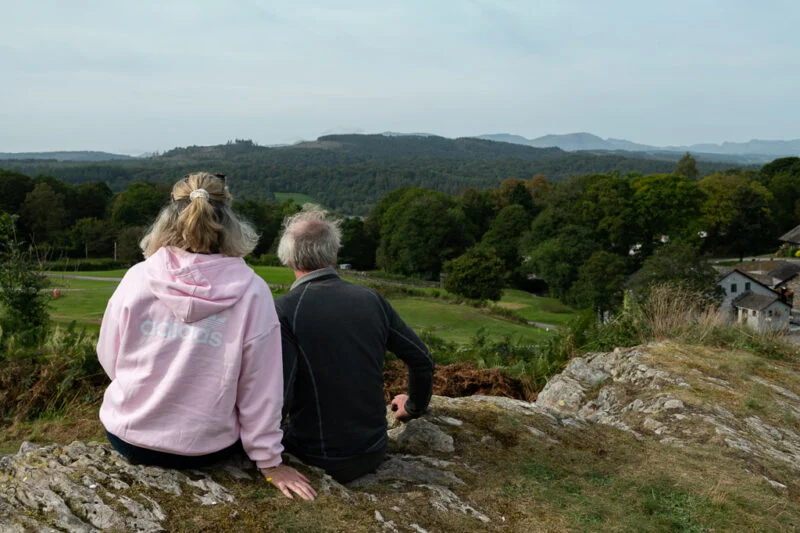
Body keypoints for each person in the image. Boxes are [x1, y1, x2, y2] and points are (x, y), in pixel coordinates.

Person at [97, 172, 315, 501]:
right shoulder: (252, 291)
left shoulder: (137, 277)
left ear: (169, 218)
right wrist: (270, 462)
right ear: (229, 220)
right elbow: (261, 387)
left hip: (128, 436)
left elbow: (110, 357)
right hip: (203, 447)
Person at [275, 204, 435, 483]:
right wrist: (413, 405)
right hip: (373, 449)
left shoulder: (285, 310)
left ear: (287, 258)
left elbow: (281, 395)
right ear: (334, 253)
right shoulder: (370, 299)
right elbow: (421, 359)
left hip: (315, 454)